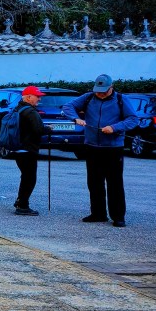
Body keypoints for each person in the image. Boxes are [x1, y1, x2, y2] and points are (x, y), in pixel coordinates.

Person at [61, 74, 138, 227]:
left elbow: (132, 119)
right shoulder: (88, 97)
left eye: (103, 91)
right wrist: (75, 118)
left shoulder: (121, 100)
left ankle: (118, 216)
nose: (100, 93)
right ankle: (98, 213)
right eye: (98, 91)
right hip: (91, 146)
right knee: (94, 182)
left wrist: (114, 128)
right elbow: (68, 106)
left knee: (114, 183)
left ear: (111, 88)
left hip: (113, 148)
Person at [12, 86, 50, 216]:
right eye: (37, 96)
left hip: (18, 148)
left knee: (25, 176)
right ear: (28, 97)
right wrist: (48, 129)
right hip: (29, 149)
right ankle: (23, 205)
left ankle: (20, 200)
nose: (39, 99)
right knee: (30, 178)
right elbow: (38, 130)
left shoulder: (18, 109)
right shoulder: (31, 112)